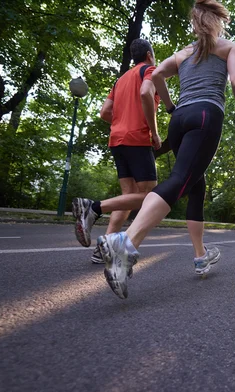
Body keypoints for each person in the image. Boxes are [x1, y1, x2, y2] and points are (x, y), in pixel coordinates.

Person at [93, 0, 235, 299]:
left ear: (195, 24)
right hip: (206, 115)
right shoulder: (228, 48)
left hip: (179, 121)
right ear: (218, 23)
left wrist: (169, 106)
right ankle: (125, 243)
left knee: (195, 183)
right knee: (180, 180)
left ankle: (200, 253)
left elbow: (154, 78)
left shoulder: (182, 54)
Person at [72, 38, 162, 264]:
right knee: (149, 197)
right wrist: (154, 132)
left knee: (127, 197)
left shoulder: (120, 80)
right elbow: (145, 95)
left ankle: (103, 248)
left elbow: (104, 113)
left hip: (117, 139)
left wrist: (121, 123)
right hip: (137, 138)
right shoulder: (149, 70)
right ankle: (93, 207)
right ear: (149, 55)